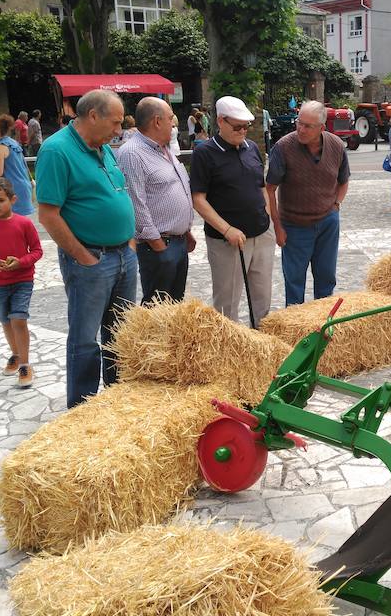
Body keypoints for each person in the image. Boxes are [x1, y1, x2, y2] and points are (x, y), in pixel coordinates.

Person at [36, 88, 136, 408]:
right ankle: (82, 408)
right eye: (115, 123)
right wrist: (83, 256)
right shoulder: (57, 150)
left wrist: (129, 242)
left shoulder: (101, 145)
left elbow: (116, 191)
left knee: (119, 332)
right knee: (84, 338)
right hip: (93, 259)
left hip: (122, 254)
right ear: (93, 116)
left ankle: (116, 398)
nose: (118, 131)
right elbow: (48, 214)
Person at [190, 96, 274, 323]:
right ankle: (230, 351)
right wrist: (227, 230)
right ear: (221, 122)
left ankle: (262, 345)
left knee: (263, 298)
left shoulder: (252, 148)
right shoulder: (205, 153)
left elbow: (261, 186)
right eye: (237, 126)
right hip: (227, 241)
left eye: (246, 126)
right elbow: (198, 199)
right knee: (227, 304)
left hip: (261, 233)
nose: (243, 131)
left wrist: (268, 217)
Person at [266, 100, 350, 306]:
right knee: (294, 283)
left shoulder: (336, 146)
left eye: (307, 126)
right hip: (294, 226)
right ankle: (297, 329)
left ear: (322, 127)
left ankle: (322, 326)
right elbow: (269, 189)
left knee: (326, 279)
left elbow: (344, 180)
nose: (300, 129)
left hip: (327, 223)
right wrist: (277, 227)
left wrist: (336, 205)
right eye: (299, 123)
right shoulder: (283, 147)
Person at [119, 97, 196, 304]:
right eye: (170, 118)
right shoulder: (132, 153)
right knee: (157, 310)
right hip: (159, 246)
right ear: (157, 121)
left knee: (175, 308)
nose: (173, 123)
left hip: (176, 242)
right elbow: (136, 203)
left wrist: (185, 230)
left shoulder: (163, 148)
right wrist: (158, 245)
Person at [0, 177, 43, 388]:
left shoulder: (24, 223)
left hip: (22, 280)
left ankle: (25, 364)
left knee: (18, 319)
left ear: (13, 199)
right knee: (6, 321)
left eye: (1, 200)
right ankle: (15, 353)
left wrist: (21, 262)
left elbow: (37, 251)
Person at [0, 115, 35, 218]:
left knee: (10, 222)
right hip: (24, 185)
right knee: (21, 222)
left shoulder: (0, 146)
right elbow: (24, 165)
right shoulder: (14, 143)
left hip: (13, 187)